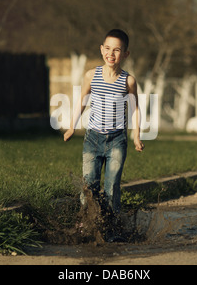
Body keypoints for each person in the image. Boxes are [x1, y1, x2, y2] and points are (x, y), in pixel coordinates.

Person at [64, 29, 144, 241]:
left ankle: (112, 228)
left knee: (111, 186)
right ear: (101, 50)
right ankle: (85, 224)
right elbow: (82, 100)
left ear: (125, 54)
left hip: (117, 141)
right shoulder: (91, 75)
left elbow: (135, 109)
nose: (111, 53)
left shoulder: (129, 81)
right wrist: (72, 126)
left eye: (117, 50)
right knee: (89, 185)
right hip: (92, 139)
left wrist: (136, 136)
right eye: (107, 48)